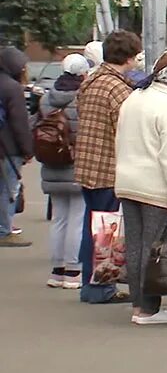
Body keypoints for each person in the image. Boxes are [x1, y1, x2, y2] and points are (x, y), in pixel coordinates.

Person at [115, 50, 167, 325]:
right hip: (155, 188)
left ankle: (138, 305)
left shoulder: (134, 97)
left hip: (127, 183)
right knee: (154, 249)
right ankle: (149, 309)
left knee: (135, 247)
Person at [75, 30, 142, 304]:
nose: (138, 62)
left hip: (87, 165)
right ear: (128, 57)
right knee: (106, 230)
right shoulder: (118, 89)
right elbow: (127, 131)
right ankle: (100, 287)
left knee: (92, 226)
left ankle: (88, 281)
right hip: (108, 167)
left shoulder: (92, 82)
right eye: (136, 56)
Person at [37, 54, 90, 286]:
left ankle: (57, 269)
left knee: (59, 218)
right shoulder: (83, 98)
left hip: (52, 163)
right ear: (83, 73)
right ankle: (73, 270)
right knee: (78, 218)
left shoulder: (48, 98)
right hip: (76, 164)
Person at [0, 47, 33, 247]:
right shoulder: (12, 88)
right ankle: (4, 230)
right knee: (8, 190)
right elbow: (20, 123)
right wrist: (28, 150)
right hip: (9, 148)